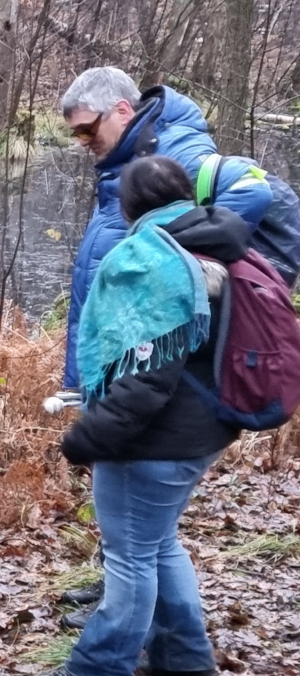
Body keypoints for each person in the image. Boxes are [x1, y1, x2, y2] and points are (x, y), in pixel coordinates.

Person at [57, 67, 295, 610]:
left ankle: (121, 623)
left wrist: (175, 255)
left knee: (141, 527)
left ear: (122, 110)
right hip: (130, 362)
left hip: (165, 373)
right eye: (75, 134)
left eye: (87, 129)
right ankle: (131, 599)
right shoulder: (122, 168)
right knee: (142, 530)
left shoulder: (179, 156)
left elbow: (255, 194)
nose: (82, 142)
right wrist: (79, 377)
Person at [36, 156, 246, 676]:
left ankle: (99, 668)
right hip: (202, 431)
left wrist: (91, 434)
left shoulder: (152, 262)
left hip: (153, 442)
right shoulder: (211, 240)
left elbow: (148, 377)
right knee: (157, 544)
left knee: (130, 557)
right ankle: (183, 657)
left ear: (130, 206)